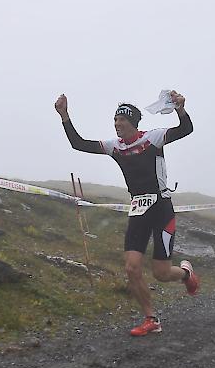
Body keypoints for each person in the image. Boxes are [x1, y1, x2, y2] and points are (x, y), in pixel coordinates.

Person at [54, 91, 199, 336]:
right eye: (115, 120)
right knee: (132, 268)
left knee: (162, 273)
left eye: (121, 120)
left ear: (133, 122)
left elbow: (185, 129)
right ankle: (151, 319)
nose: (117, 124)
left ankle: (186, 273)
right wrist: (64, 116)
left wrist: (180, 109)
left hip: (162, 208)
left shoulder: (153, 138)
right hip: (139, 210)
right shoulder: (115, 146)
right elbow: (79, 144)